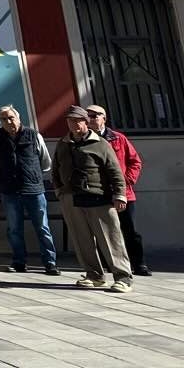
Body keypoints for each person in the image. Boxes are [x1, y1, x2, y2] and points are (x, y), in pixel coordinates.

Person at [53, 105, 130, 293]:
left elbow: (115, 171)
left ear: (86, 122)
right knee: (82, 239)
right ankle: (94, 275)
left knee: (110, 238)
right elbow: (55, 168)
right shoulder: (63, 143)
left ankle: (123, 277)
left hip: (99, 196)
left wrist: (120, 194)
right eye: (70, 121)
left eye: (78, 120)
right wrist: (59, 190)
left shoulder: (101, 144)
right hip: (71, 197)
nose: (74, 124)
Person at [0, 105, 57, 275]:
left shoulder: (33, 135)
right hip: (10, 189)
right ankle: (19, 262)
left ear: (19, 118)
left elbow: (45, 162)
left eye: (11, 117)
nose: (8, 121)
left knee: (42, 227)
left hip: (33, 189)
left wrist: (31, 173)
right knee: (14, 228)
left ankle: (50, 263)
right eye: (3, 119)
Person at [87, 105, 148, 276]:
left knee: (130, 230)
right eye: (88, 115)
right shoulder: (86, 139)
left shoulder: (118, 138)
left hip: (123, 193)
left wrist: (126, 180)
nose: (90, 118)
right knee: (105, 232)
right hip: (100, 193)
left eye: (94, 115)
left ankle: (139, 264)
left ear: (104, 118)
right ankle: (109, 264)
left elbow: (135, 161)